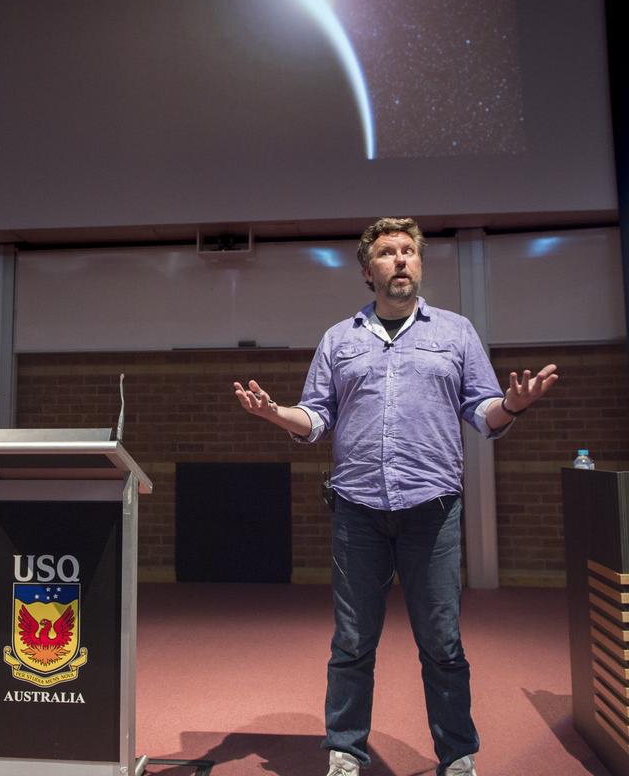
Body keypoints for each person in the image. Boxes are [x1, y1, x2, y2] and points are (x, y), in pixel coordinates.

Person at [233, 217, 558, 776]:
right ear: (368, 270)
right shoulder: (339, 339)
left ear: (420, 264)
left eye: (410, 251)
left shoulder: (455, 333)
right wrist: (274, 413)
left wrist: (514, 405)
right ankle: (345, 750)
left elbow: (482, 410)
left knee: (442, 643)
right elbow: (316, 418)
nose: (402, 259)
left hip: (433, 511)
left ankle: (457, 755)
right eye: (388, 252)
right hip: (357, 512)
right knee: (353, 641)